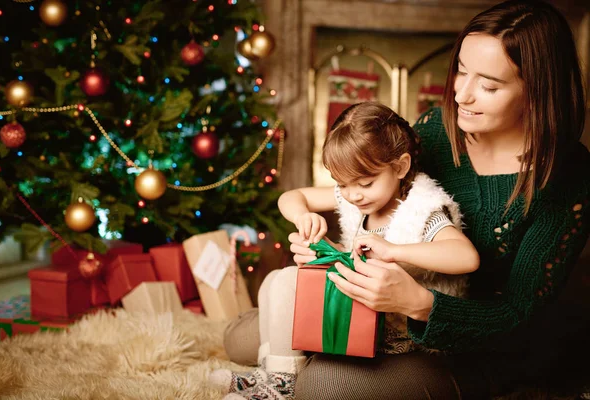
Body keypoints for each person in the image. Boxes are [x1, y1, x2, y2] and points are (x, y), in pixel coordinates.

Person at [222, 0, 590, 398]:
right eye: (461, 72)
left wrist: (418, 303)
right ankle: (294, 358)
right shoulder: (435, 130)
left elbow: (520, 317)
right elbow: (367, 192)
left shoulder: (565, 176)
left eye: (488, 85)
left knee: (324, 384)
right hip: (384, 315)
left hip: (476, 350)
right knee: (239, 339)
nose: (462, 95)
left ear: (537, 89)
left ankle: (299, 368)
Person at [210, 101, 479, 399]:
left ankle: (283, 382)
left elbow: (465, 257)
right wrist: (305, 218)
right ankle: (276, 376)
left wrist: (394, 251)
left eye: (365, 183)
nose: (352, 195)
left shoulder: (421, 210)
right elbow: (291, 196)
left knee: (286, 287)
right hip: (358, 304)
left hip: (398, 332)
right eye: (342, 184)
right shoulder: (357, 195)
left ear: (400, 167)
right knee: (276, 281)